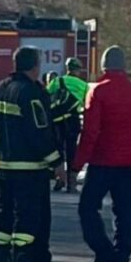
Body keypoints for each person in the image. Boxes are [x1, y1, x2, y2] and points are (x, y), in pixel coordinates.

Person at [0, 47, 64, 262]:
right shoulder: (31, 93)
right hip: (29, 167)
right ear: (35, 66)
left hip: (4, 166)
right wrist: (57, 163)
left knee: (4, 216)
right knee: (27, 219)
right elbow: (40, 132)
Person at [73, 46, 131, 262]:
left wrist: (76, 164)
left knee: (87, 208)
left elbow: (90, 132)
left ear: (104, 66)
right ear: (124, 66)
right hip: (126, 164)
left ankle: (103, 252)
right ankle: (121, 259)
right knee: (124, 213)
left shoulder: (98, 92)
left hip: (101, 162)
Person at [47, 58, 88, 192]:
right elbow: (87, 103)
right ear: (78, 70)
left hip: (57, 121)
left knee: (58, 150)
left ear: (67, 68)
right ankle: (72, 183)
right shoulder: (83, 85)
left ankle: (60, 178)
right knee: (72, 151)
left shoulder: (57, 81)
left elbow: (46, 96)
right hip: (73, 120)